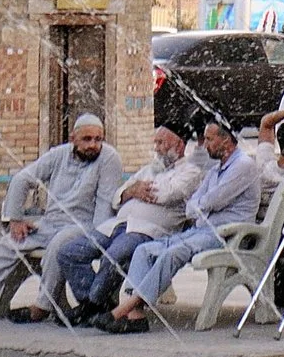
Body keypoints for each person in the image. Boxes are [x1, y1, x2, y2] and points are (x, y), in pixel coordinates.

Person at [0, 114, 123, 321]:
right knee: (9, 244)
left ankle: (42, 307)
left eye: (98, 139)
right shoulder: (59, 155)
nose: (93, 145)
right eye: (87, 139)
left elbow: (105, 207)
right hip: (51, 222)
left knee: (59, 245)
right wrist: (15, 219)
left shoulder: (109, 158)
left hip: (84, 225)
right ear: (73, 139)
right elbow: (22, 179)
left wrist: (96, 240)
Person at [98, 117, 261, 333]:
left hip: (226, 234)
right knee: (144, 250)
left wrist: (202, 206)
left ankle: (123, 309)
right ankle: (136, 316)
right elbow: (192, 207)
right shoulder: (215, 171)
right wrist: (202, 206)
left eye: (209, 139)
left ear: (226, 141)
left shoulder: (243, 165)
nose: (204, 144)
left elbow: (215, 200)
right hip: (201, 230)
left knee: (172, 254)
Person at [40, 124, 205, 322]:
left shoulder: (191, 172)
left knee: (113, 257)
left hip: (148, 231)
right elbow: (117, 197)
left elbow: (167, 195)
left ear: (178, 145)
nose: (157, 148)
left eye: (161, 143)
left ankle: (91, 306)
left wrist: (136, 191)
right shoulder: (148, 170)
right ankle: (95, 304)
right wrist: (131, 191)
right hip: (117, 226)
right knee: (69, 252)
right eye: (156, 143)